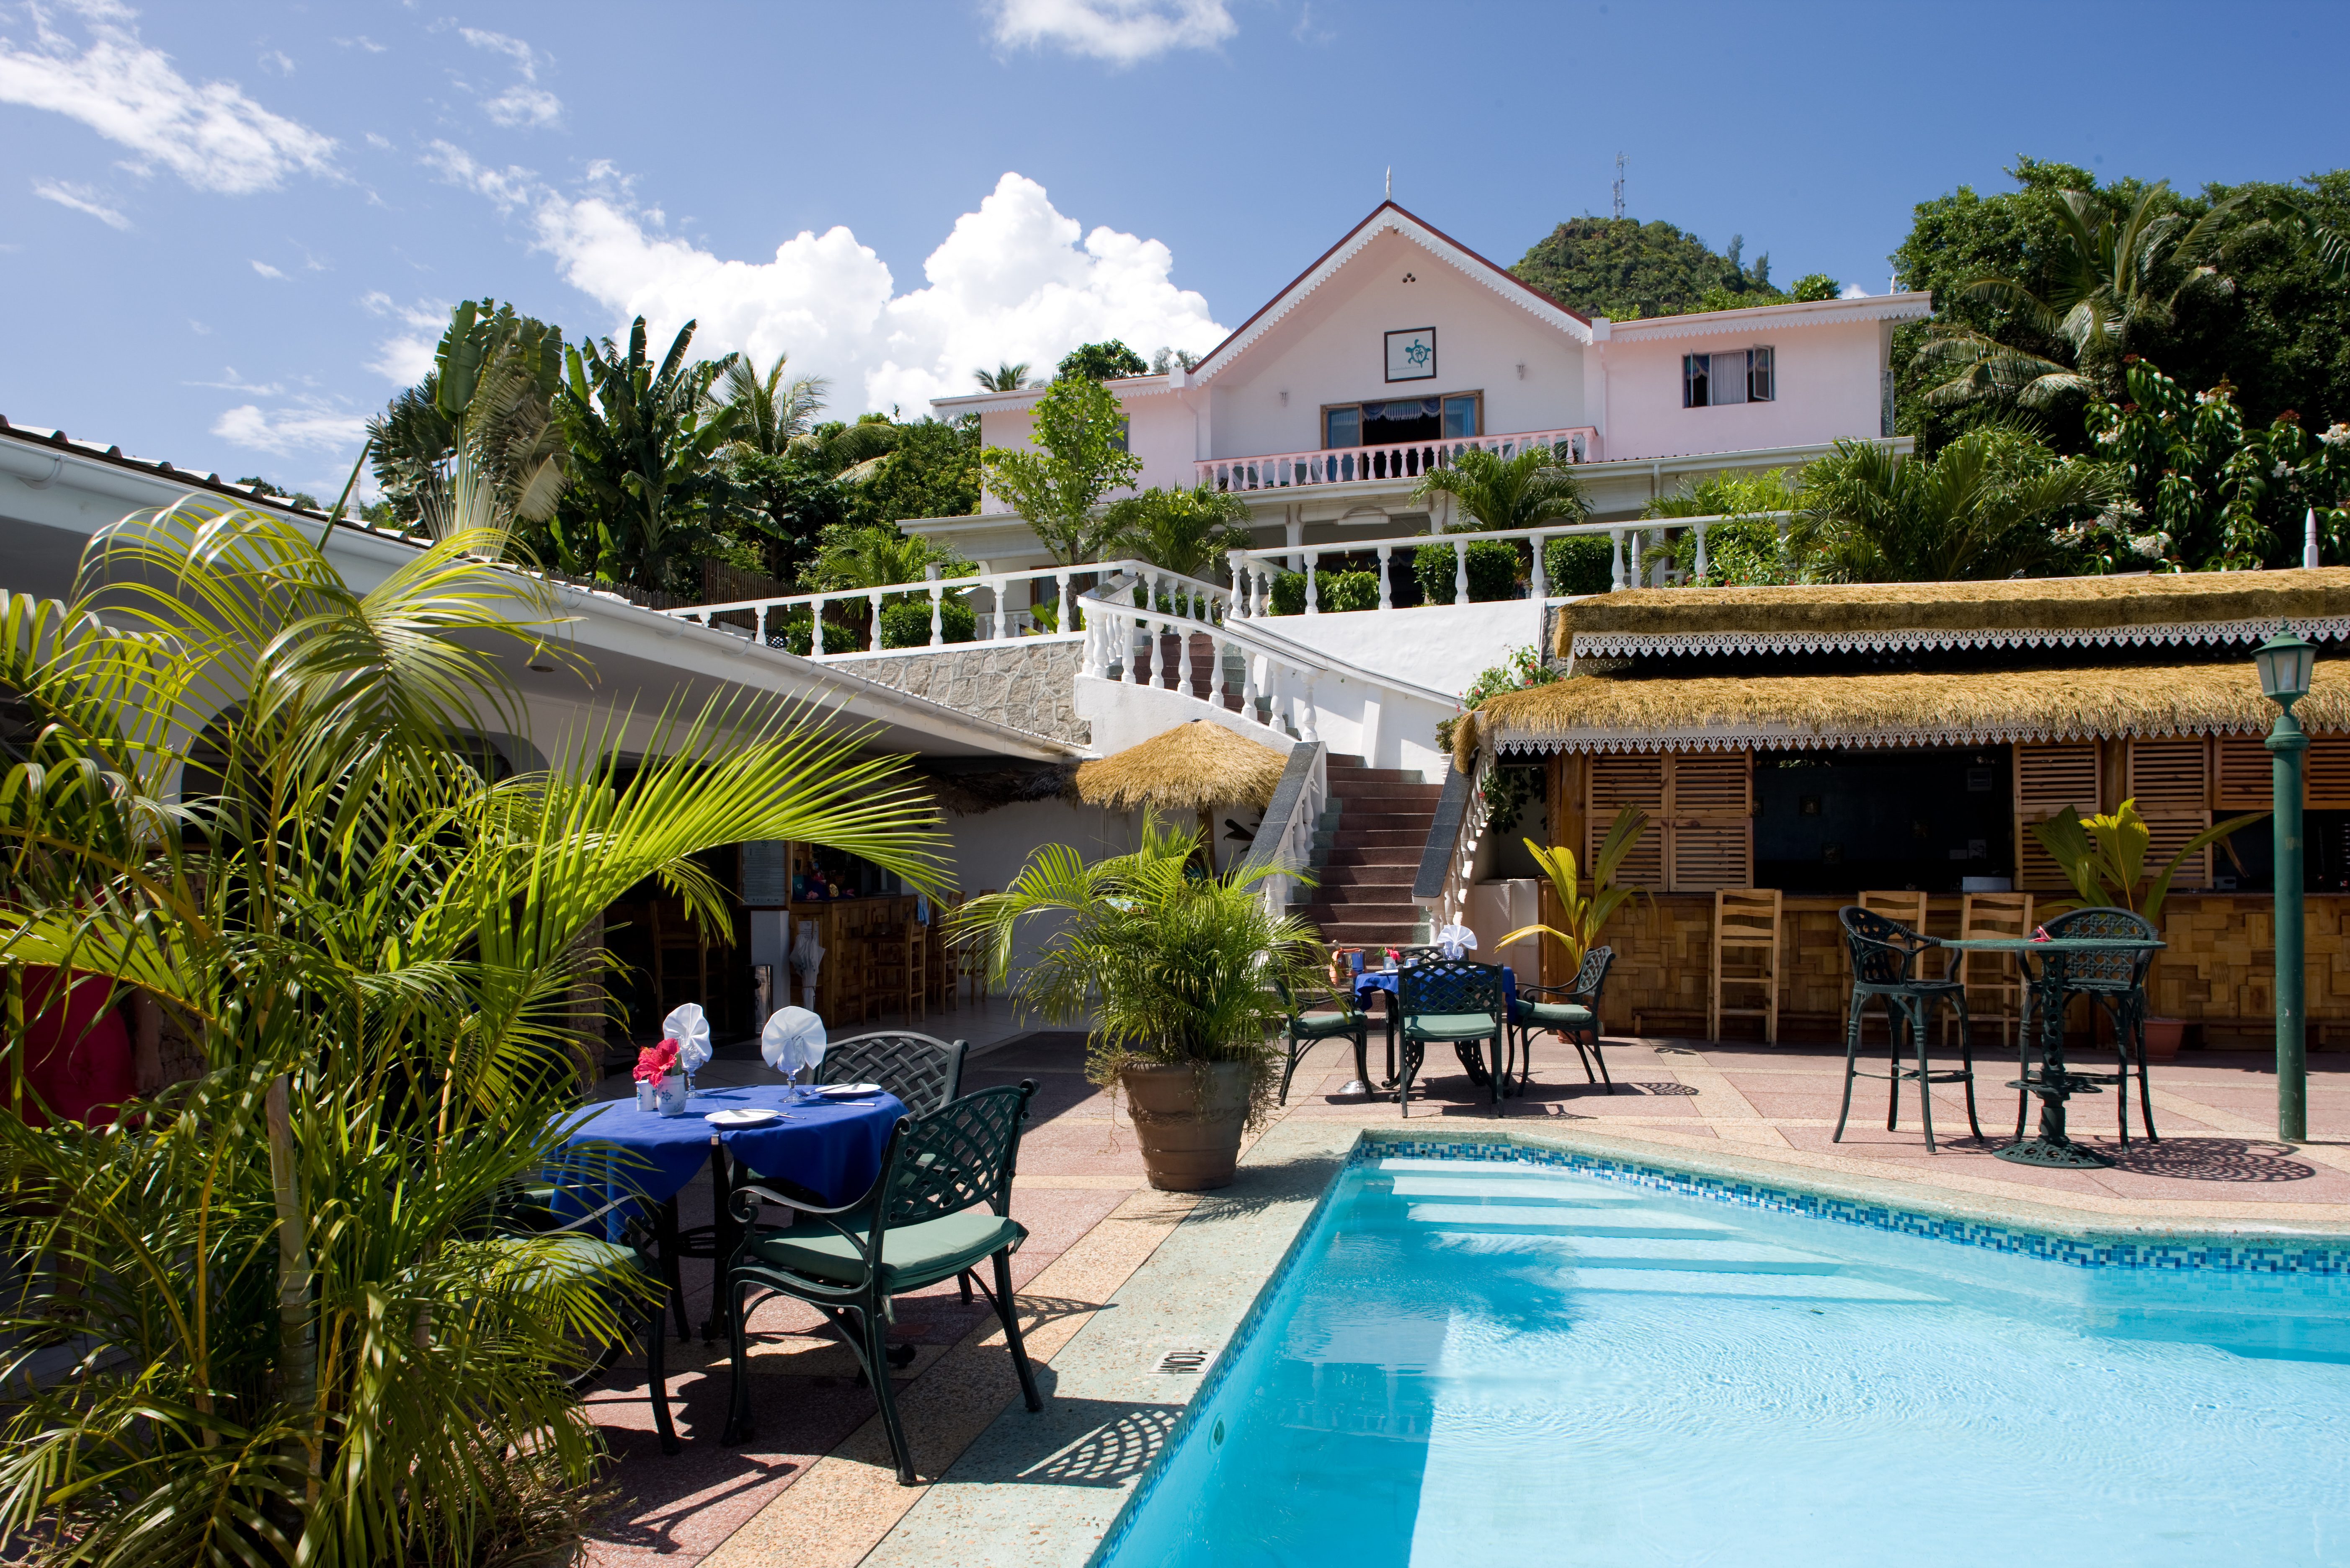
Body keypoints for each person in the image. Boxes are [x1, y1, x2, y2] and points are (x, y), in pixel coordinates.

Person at [12, 967, 162, 1127]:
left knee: (100, 1144)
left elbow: (143, 984)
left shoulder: (112, 941)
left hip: (95, 1056)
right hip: (24, 1064)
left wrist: (149, 1051)